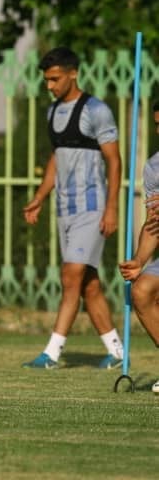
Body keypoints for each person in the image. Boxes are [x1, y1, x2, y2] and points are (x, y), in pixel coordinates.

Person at [22, 46, 123, 369]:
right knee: (88, 285)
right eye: (46, 81)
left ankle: (52, 352)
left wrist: (111, 209)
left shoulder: (97, 110)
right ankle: (118, 351)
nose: (49, 86)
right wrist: (40, 196)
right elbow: (57, 158)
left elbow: (114, 160)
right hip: (65, 210)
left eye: (54, 79)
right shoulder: (52, 113)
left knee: (70, 276)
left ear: (73, 73)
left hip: (92, 209)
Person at [119, 102, 159, 393]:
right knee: (141, 290)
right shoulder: (154, 166)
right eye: (157, 125)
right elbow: (153, 222)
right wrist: (139, 260)